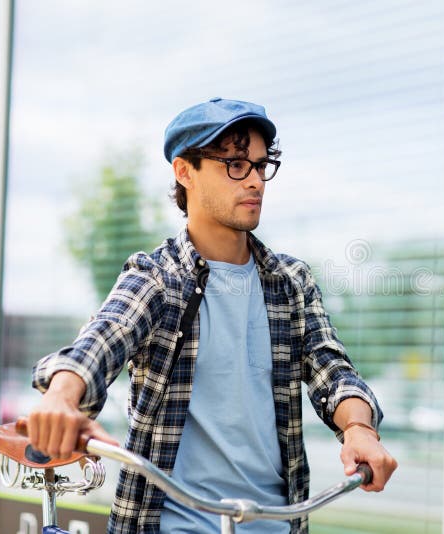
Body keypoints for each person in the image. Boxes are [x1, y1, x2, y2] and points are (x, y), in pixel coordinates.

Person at [28, 97, 398, 534]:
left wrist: (359, 428)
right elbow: (103, 339)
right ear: (185, 171)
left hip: (275, 525)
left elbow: (330, 367)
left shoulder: (290, 282)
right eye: (236, 164)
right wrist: (61, 396)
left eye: (262, 166)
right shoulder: (158, 278)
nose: (256, 181)